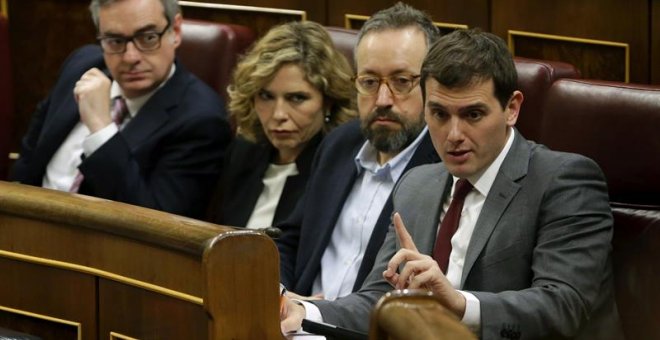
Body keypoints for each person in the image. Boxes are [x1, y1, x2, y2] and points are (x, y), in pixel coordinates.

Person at [281, 29, 623, 339]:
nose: (454, 135)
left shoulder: (564, 180)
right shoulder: (417, 185)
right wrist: (304, 311)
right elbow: (379, 299)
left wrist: (457, 303)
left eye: (473, 115)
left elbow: (562, 306)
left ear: (511, 108)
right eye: (439, 115)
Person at [277, 2, 441, 300]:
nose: (382, 99)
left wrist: (316, 312)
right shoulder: (340, 144)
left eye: (401, 81)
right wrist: (281, 294)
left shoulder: (444, 169)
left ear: (432, 84)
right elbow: (291, 240)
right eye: (368, 81)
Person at [10, 0, 230, 219]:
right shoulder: (81, 65)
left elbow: (155, 226)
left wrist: (101, 130)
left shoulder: (202, 120)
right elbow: (30, 158)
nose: (130, 57)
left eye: (148, 37)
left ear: (176, 31)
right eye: (115, 41)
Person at [208, 21, 356, 228]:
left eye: (296, 98)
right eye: (266, 96)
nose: (278, 114)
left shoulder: (338, 171)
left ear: (329, 102)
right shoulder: (244, 151)